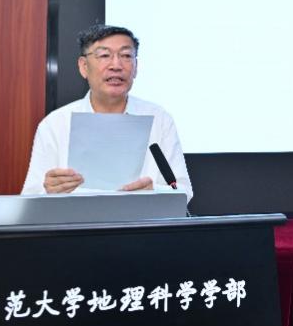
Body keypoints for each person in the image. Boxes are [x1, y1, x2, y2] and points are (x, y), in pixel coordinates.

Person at [21, 24, 192, 201]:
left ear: (136, 67)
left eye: (126, 56)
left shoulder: (160, 119)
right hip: (77, 219)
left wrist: (155, 192)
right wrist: (49, 192)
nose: (116, 65)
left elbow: (183, 192)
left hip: (143, 218)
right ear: (84, 66)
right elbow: (30, 198)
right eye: (104, 55)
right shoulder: (55, 124)